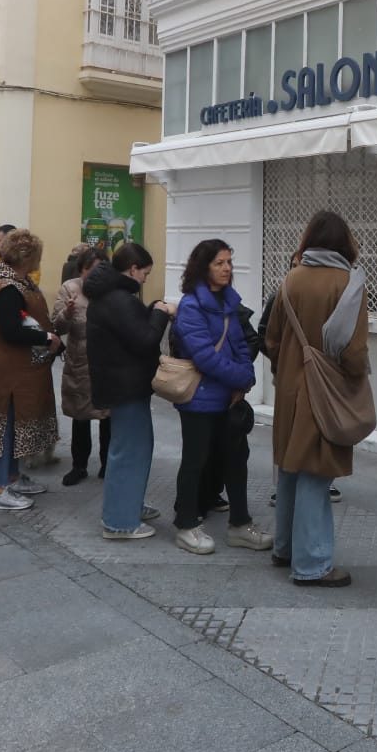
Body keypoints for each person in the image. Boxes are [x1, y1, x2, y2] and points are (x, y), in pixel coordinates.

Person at [264, 213, 368, 583]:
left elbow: (271, 339)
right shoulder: (348, 283)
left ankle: (285, 548)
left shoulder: (290, 279)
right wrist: (354, 376)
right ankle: (312, 565)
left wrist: (292, 363)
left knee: (291, 469)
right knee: (315, 474)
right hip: (324, 391)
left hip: (290, 389)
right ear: (345, 242)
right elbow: (354, 353)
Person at [168, 238, 267, 555]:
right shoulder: (191, 306)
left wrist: (247, 378)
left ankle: (240, 525)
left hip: (229, 399)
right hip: (199, 398)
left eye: (229, 262)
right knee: (195, 460)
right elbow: (205, 357)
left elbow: (240, 344)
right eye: (219, 263)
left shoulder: (227, 302)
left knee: (237, 461)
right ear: (203, 267)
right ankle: (185, 525)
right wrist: (241, 377)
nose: (227, 268)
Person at [0, 229, 58, 511]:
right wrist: (46, 338)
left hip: (14, 369)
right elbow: (11, 330)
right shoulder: (7, 287)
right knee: (2, 428)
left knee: (13, 425)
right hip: (6, 371)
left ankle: (12, 478)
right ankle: (0, 489)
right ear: (28, 257)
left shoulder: (11, 281)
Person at [85, 241, 176, 537]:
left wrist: (150, 309)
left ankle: (128, 504)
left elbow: (132, 328)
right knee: (130, 451)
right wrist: (160, 313)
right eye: (145, 273)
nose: (146, 279)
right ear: (133, 269)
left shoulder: (111, 296)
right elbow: (145, 339)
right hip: (126, 386)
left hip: (121, 383)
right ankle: (120, 521)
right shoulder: (119, 299)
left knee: (132, 447)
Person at [54, 247, 107, 486]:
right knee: (81, 416)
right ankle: (79, 466)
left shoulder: (114, 289)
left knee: (109, 417)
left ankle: (108, 464)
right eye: (88, 269)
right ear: (81, 270)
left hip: (107, 363)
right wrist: (66, 313)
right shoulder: (69, 289)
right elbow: (58, 327)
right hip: (80, 361)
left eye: (98, 269)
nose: (92, 274)